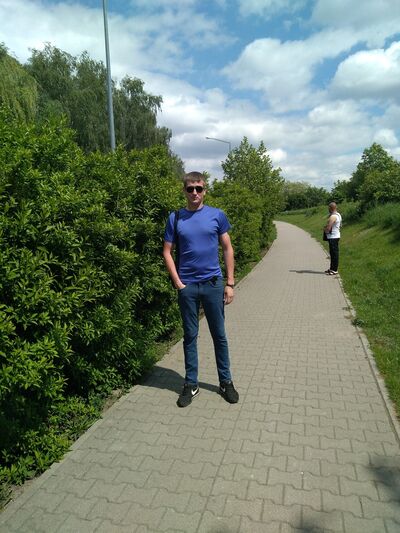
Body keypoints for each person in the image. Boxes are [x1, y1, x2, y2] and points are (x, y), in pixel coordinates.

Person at [163, 171, 239, 408]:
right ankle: (191, 383)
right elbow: (167, 251)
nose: (194, 193)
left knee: (219, 335)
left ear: (205, 191)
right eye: (190, 189)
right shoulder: (175, 218)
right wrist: (178, 282)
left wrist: (229, 283)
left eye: (199, 188)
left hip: (213, 285)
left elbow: (227, 248)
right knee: (190, 336)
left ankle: (225, 382)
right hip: (187, 287)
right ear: (184, 191)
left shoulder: (217, 215)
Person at [324, 202, 342, 275]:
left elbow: (329, 228)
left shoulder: (333, 217)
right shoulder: (338, 215)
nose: (328, 209)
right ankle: (331, 268)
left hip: (333, 237)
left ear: (331, 208)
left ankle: (334, 270)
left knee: (334, 254)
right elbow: (340, 225)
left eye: (329, 208)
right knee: (332, 253)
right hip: (336, 235)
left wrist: (325, 230)